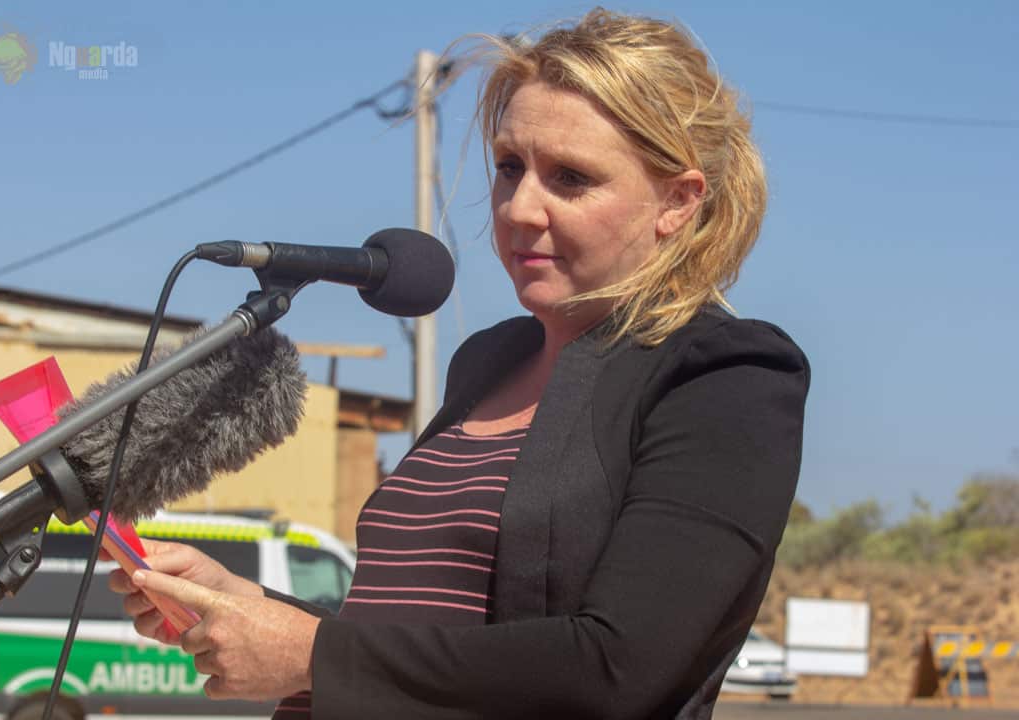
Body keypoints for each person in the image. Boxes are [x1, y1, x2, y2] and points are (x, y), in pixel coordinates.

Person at [109, 8, 810, 719]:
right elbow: (427, 641)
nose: (519, 208)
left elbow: (617, 668)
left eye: (570, 177)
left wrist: (310, 652)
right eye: (510, 167)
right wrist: (253, 608)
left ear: (677, 201)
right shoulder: (489, 360)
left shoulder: (726, 375)